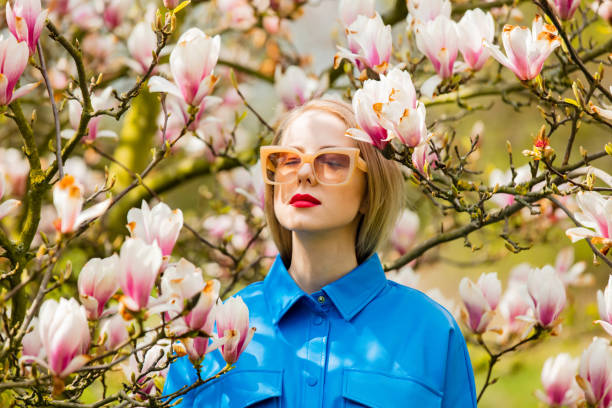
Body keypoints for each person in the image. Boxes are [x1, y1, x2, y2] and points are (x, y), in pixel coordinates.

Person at [162, 99, 477, 407]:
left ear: (370, 192)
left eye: (333, 162)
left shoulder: (430, 331)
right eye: (288, 160)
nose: (304, 174)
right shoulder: (207, 331)